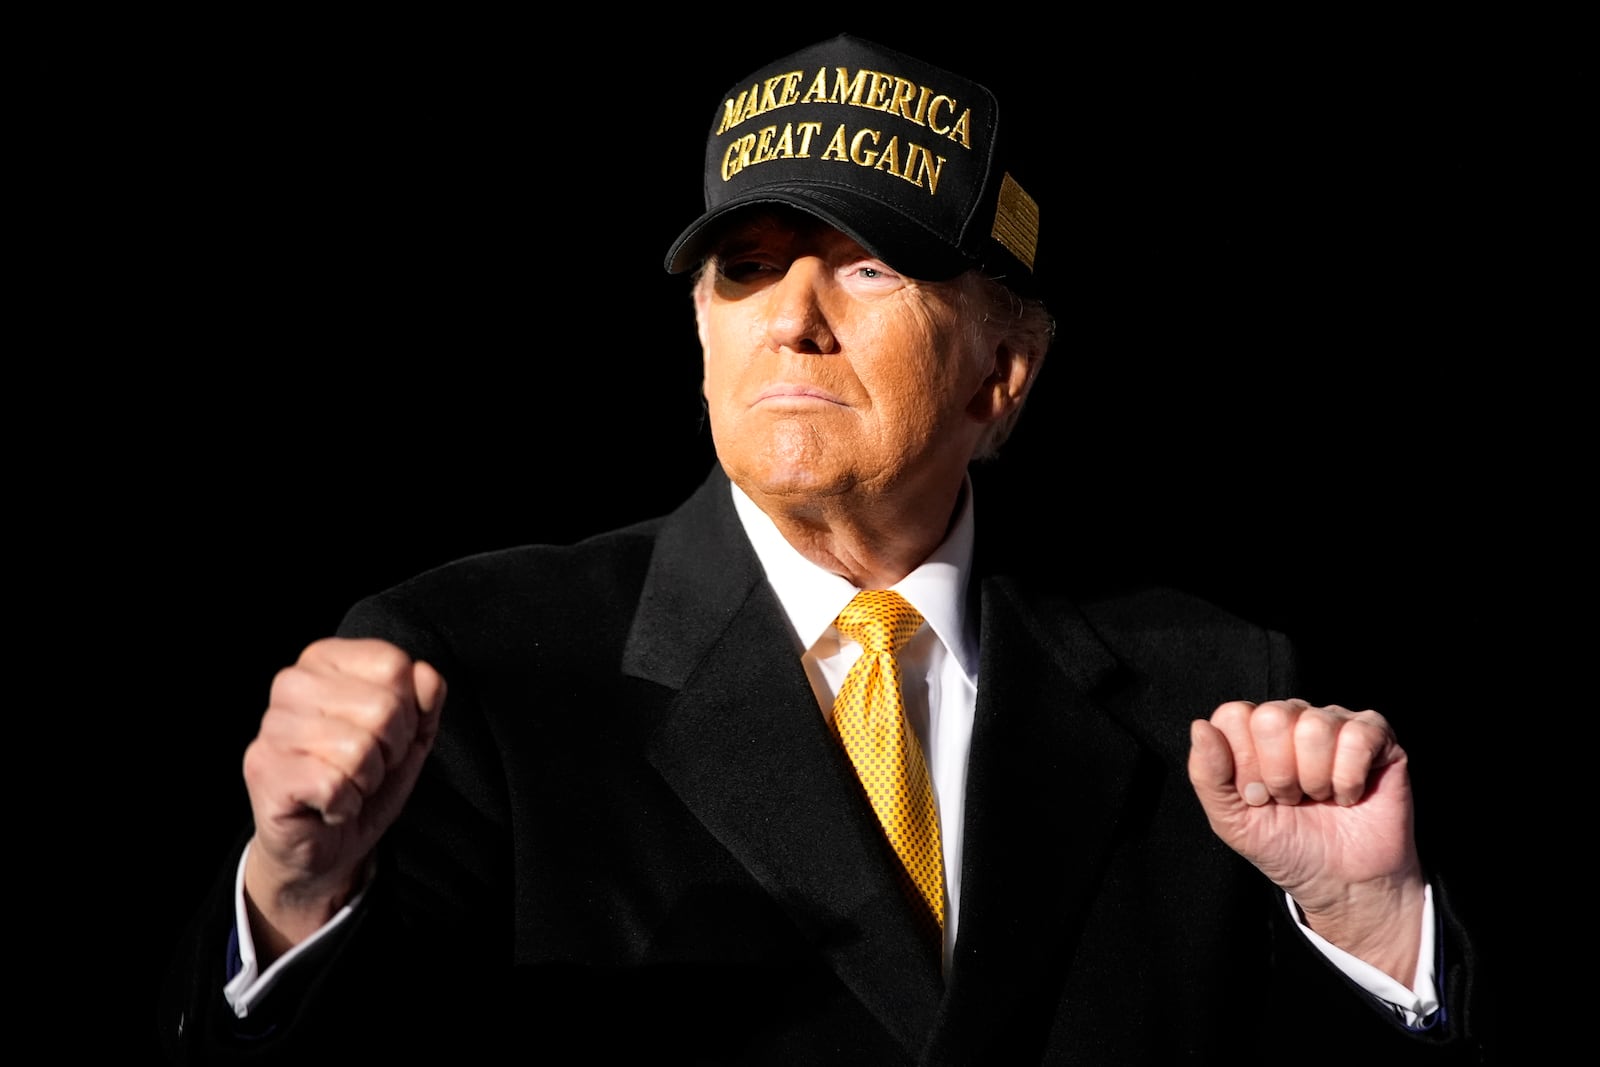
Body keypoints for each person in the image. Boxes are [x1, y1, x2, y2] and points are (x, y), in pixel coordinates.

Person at [160, 32, 1492, 1065]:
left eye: (868, 267)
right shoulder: (475, 668)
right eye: (745, 266)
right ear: (700, 336)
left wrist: (1370, 932)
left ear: (1004, 369)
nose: (790, 317)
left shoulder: (1212, 688)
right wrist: (292, 896)